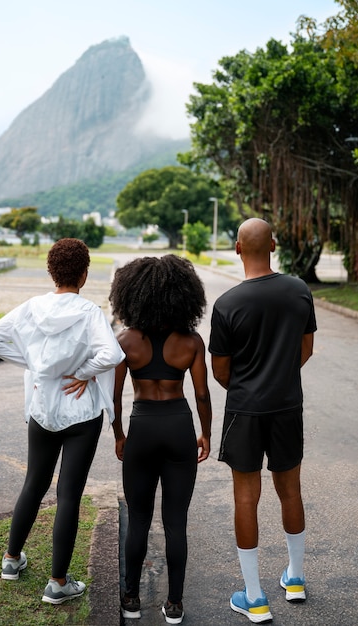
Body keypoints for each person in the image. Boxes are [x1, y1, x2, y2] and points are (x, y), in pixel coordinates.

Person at [0, 238, 125, 604]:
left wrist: (35, 364)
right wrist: (85, 371)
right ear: (85, 274)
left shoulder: (32, 307)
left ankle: (11, 560)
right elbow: (114, 353)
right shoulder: (89, 312)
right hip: (81, 413)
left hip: (42, 409)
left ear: (50, 271)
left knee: (34, 483)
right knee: (68, 494)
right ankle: (58, 583)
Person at [209, 218, 317, 623]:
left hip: (245, 411)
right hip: (287, 405)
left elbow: (221, 371)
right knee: (291, 492)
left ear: (237, 248)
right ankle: (296, 579)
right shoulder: (299, 290)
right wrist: (279, 380)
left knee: (245, 497)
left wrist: (248, 388)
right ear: (273, 244)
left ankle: (254, 597)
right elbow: (305, 350)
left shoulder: (227, 304)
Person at [109, 254, 212, 625]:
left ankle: (132, 599)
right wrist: (206, 433)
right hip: (179, 426)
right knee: (176, 521)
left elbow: (115, 397)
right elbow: (201, 394)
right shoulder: (191, 341)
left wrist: (120, 435)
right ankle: (174, 604)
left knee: (138, 519)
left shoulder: (125, 340)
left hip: (142, 427)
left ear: (133, 295)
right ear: (183, 295)